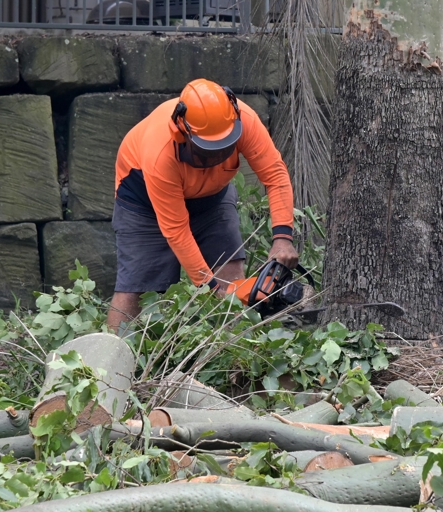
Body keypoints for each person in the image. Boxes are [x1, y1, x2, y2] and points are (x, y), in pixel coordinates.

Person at [105, 78, 300, 333]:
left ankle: (233, 358)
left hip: (212, 198)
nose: (219, 155)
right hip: (145, 204)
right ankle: (110, 360)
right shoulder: (160, 153)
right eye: (209, 149)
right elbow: (176, 229)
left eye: (225, 146)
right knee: (136, 289)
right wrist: (210, 286)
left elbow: (274, 174)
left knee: (230, 273)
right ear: (182, 133)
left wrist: (283, 238)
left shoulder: (244, 120)